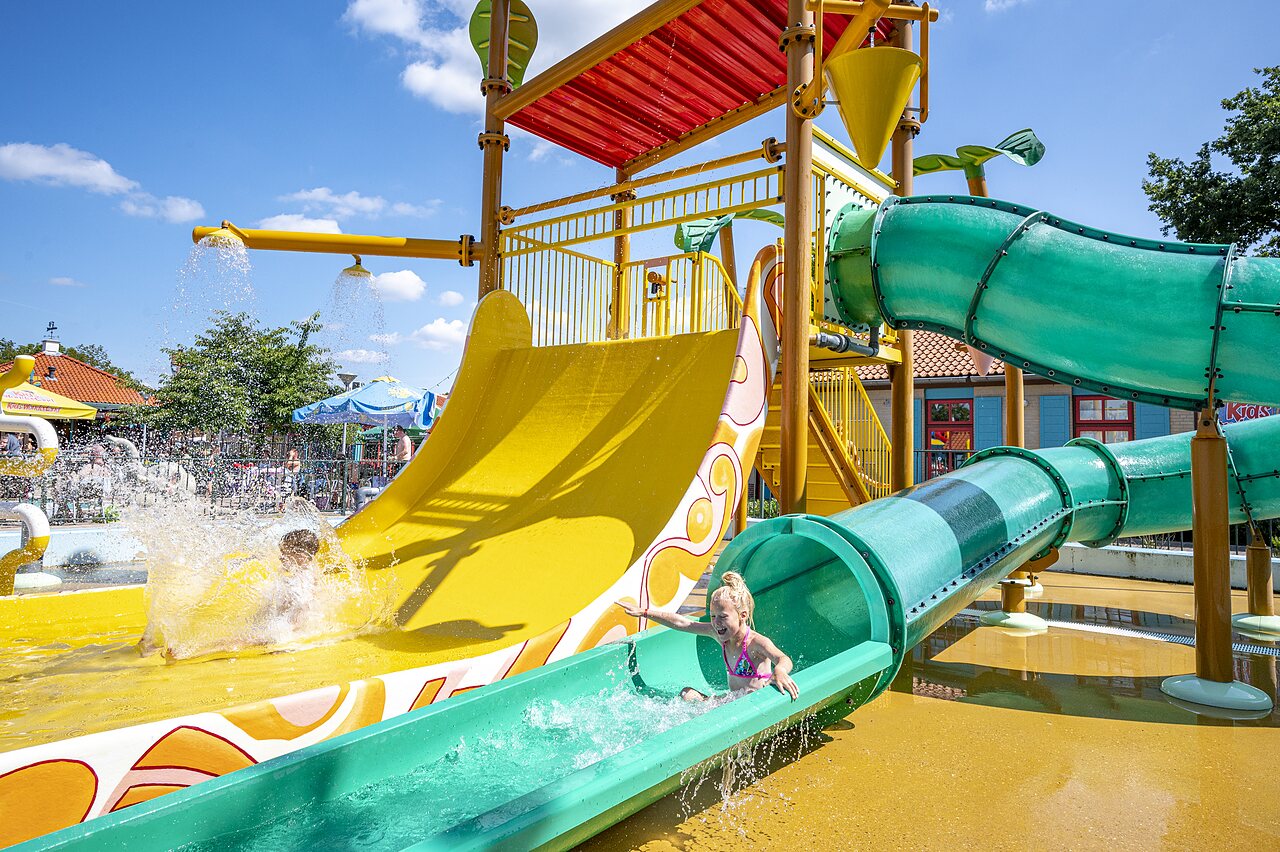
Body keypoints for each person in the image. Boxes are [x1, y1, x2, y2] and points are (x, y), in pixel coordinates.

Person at [616, 571, 799, 702]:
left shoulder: (755, 643)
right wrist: (645, 612)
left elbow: (783, 658)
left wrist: (780, 672)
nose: (716, 622)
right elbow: (682, 623)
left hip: (756, 705)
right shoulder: (719, 635)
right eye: (713, 616)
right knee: (687, 694)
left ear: (742, 616)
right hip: (734, 702)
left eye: (723, 617)